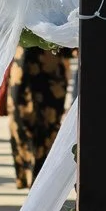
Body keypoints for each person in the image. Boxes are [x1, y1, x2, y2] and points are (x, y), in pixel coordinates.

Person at [7, 37, 72, 188]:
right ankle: (27, 173)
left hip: (52, 62)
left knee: (50, 122)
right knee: (20, 120)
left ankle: (44, 176)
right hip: (22, 63)